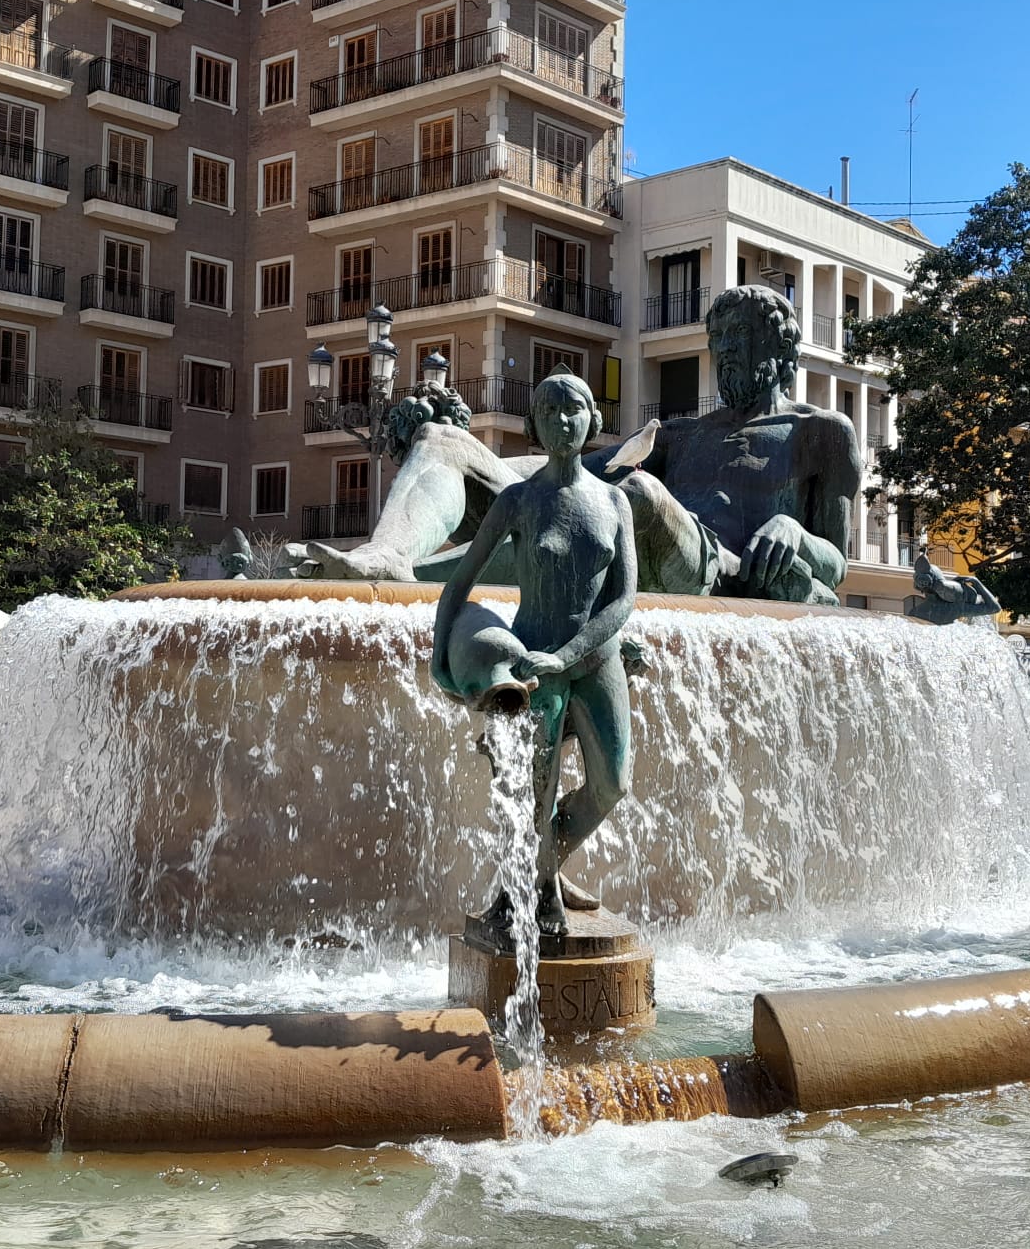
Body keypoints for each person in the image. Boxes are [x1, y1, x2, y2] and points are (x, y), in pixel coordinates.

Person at [292, 285, 862, 606]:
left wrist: (796, 535)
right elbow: (564, 467)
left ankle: (418, 581)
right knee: (443, 440)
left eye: (741, 335)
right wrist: (471, 462)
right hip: (640, 543)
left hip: (719, 570)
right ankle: (386, 557)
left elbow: (834, 566)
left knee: (635, 493)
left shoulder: (821, 434)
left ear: (780, 349)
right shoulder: (682, 435)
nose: (726, 350)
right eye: (718, 339)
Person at [433, 371, 637, 936]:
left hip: (595, 661)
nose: (561, 421)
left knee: (612, 784)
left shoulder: (615, 501)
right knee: (536, 793)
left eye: (572, 409)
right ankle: (537, 893)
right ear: (534, 425)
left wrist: (568, 655)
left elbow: (623, 599)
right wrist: (441, 659)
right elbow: (459, 581)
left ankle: (542, 866)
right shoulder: (519, 500)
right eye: (548, 411)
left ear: (593, 420)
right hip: (532, 668)